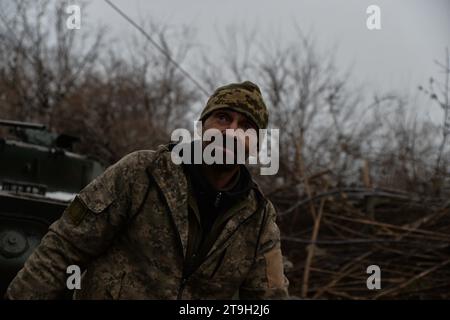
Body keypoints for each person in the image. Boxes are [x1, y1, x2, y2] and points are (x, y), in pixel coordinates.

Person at [5, 81, 289, 299]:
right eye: (223, 118)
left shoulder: (258, 218)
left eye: (247, 126)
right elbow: (64, 248)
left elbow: (267, 299)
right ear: (202, 126)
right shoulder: (142, 173)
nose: (232, 131)